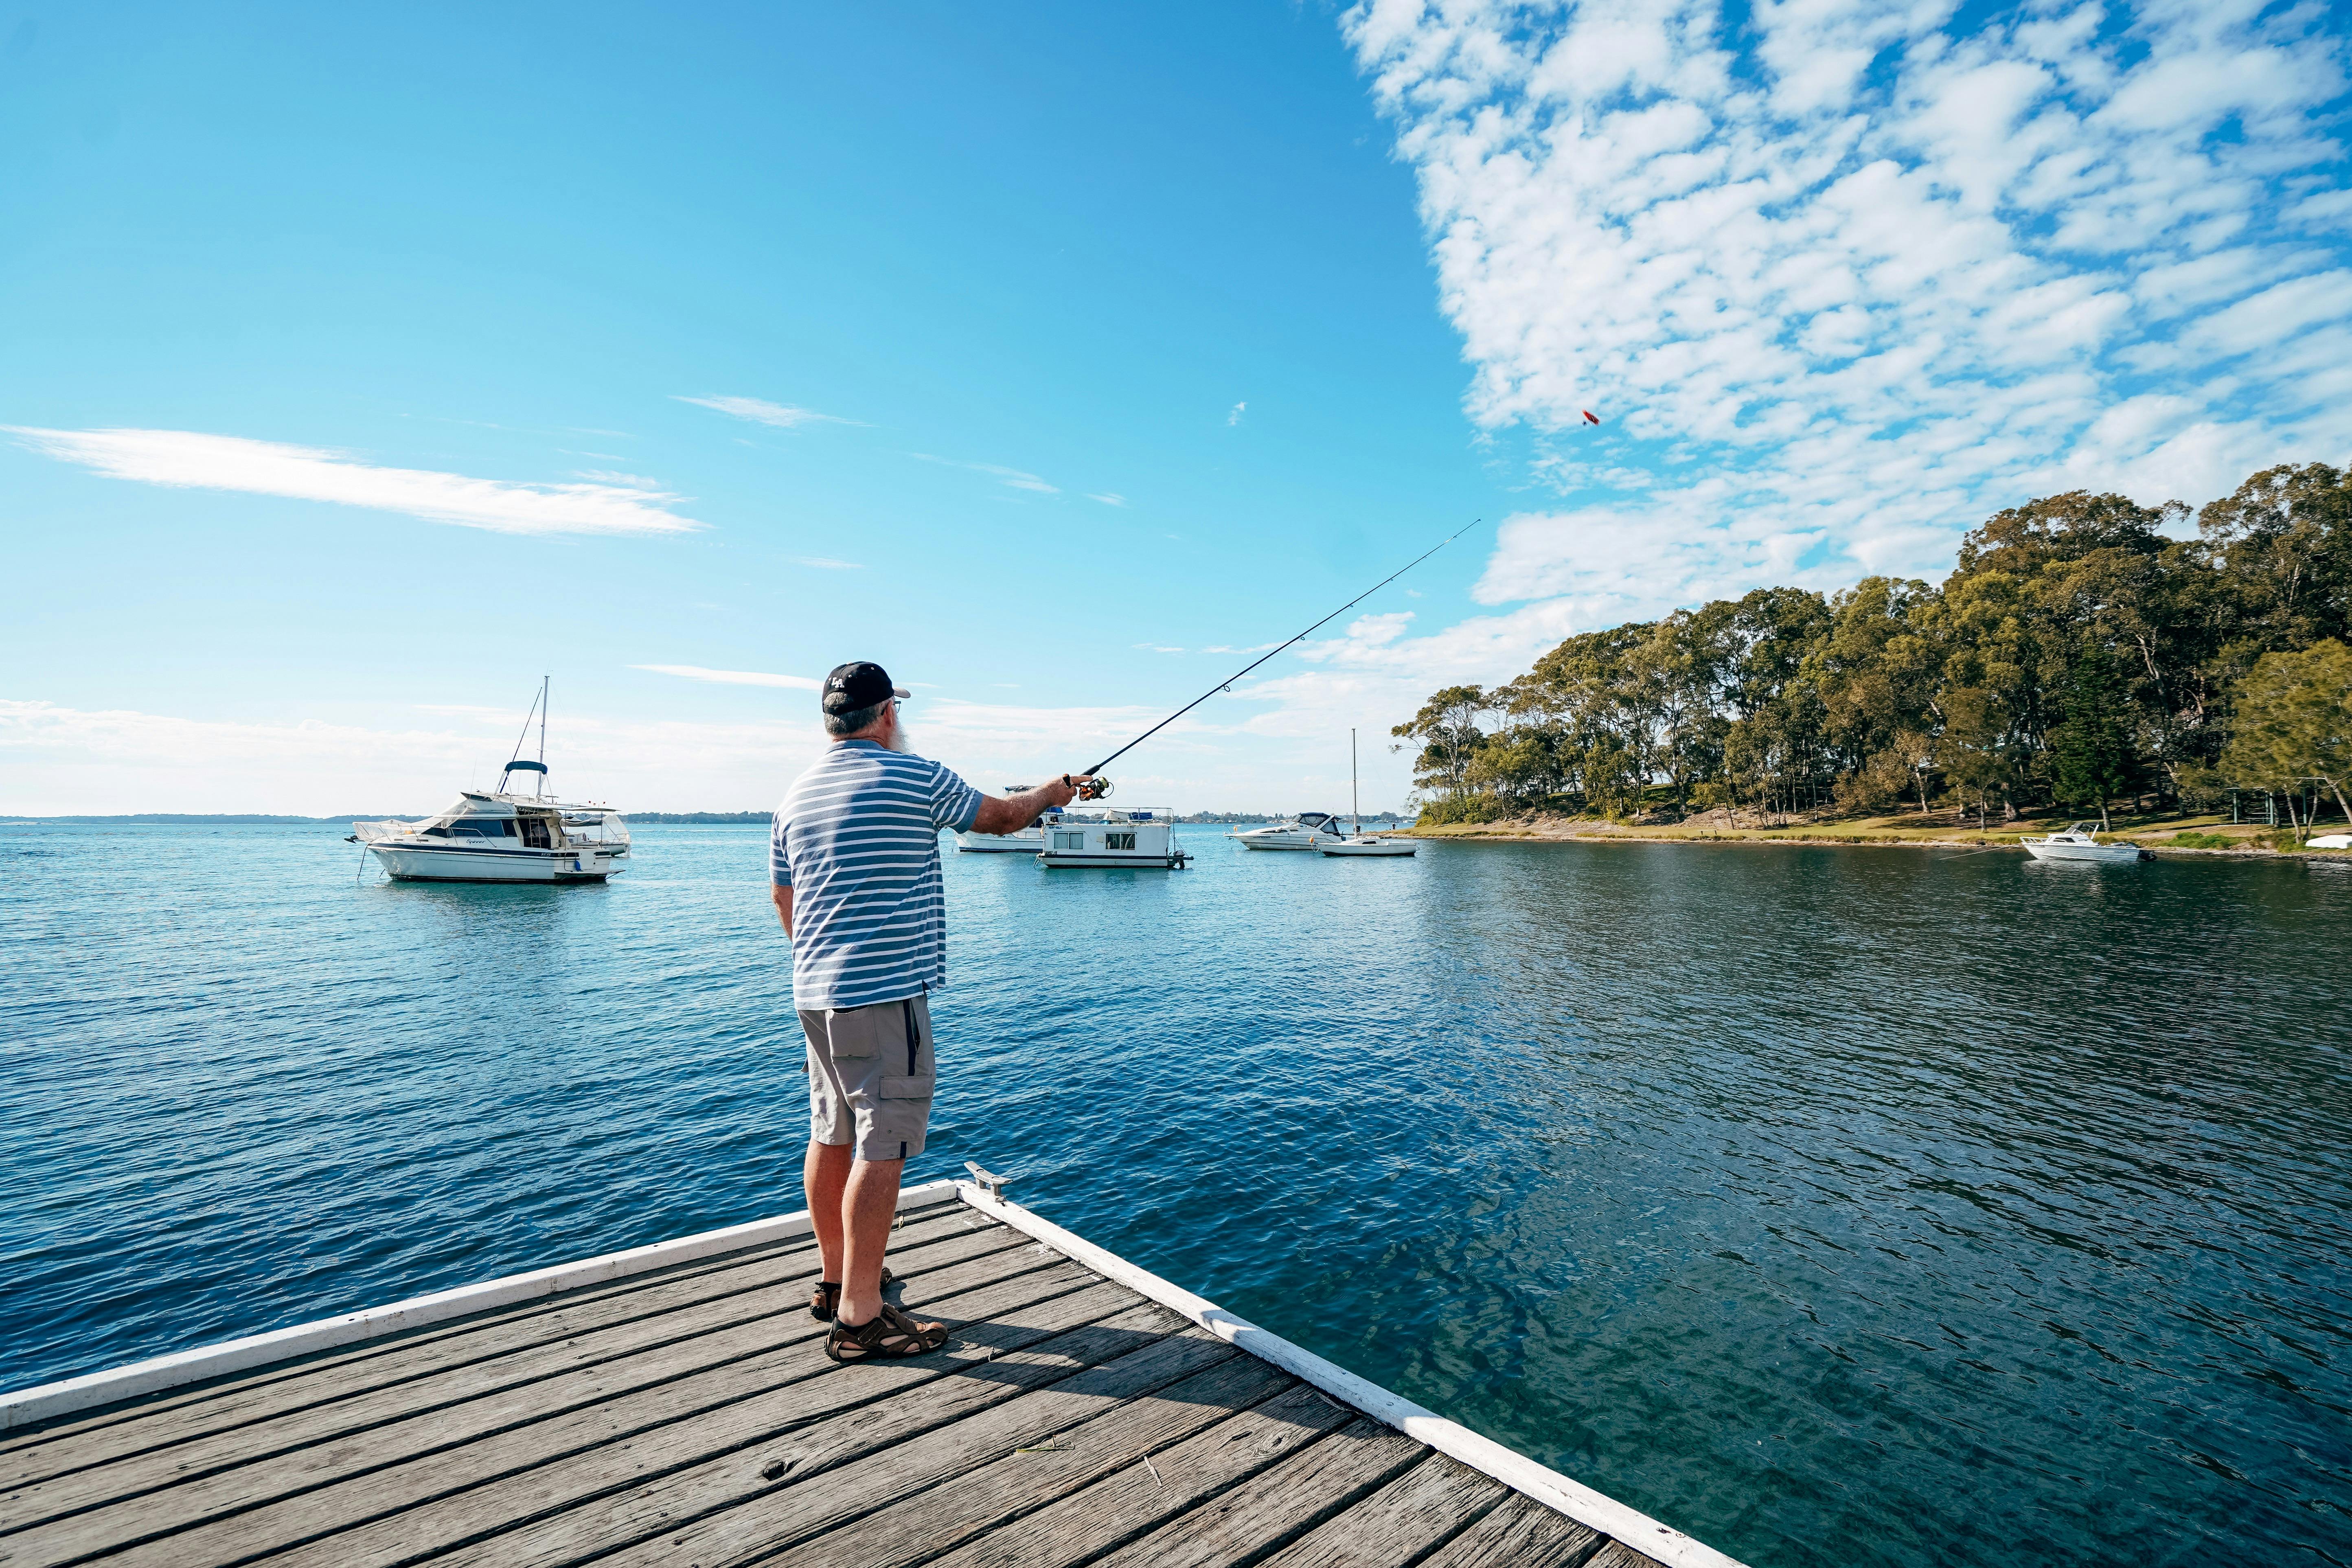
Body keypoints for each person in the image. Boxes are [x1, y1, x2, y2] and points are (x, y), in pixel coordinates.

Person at [769, 660, 1092, 1363]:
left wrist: (827, 960)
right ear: (886, 714)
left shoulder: (794, 794)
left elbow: (784, 902)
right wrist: (1059, 790)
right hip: (882, 995)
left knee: (831, 1131)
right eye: (896, 713)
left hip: (813, 991)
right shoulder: (913, 776)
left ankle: (834, 1281)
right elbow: (1006, 818)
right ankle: (859, 1319)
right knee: (881, 1143)